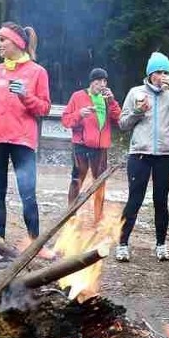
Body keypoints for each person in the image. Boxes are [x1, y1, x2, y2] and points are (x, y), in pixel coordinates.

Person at [0, 22, 51, 248]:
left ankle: (34, 243)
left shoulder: (38, 72)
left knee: (27, 192)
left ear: (17, 43)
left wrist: (26, 95)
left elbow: (44, 108)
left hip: (23, 140)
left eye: (2, 40)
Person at [116, 52, 169, 262]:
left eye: (166, 72)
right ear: (150, 73)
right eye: (158, 71)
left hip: (166, 154)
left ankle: (161, 244)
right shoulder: (135, 93)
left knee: (161, 201)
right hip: (140, 154)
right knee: (135, 200)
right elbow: (123, 124)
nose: (162, 75)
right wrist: (138, 112)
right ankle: (122, 243)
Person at [61, 67, 122, 222]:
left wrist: (112, 101)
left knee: (100, 182)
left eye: (104, 81)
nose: (101, 84)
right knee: (77, 180)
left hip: (101, 147)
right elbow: (66, 120)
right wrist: (79, 114)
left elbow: (119, 119)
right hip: (81, 145)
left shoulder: (107, 99)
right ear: (91, 82)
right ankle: (70, 215)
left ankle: (98, 218)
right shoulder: (78, 96)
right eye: (98, 81)